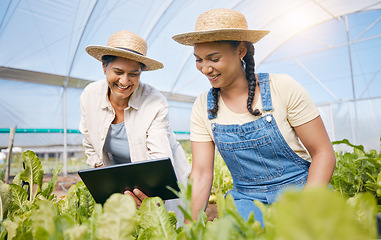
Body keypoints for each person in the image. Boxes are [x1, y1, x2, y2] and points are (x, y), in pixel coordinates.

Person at [172, 8, 336, 226]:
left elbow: (323, 153)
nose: (205, 68)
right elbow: (201, 174)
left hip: (302, 191)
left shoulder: (282, 87)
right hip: (247, 201)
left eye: (214, 58)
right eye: (198, 60)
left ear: (241, 51)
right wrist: (188, 228)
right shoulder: (203, 106)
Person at [79, 30, 191, 220]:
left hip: (162, 181)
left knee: (166, 228)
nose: (124, 81)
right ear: (104, 66)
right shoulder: (90, 95)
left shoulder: (154, 102)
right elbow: (89, 141)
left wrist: (151, 193)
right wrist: (104, 180)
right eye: (118, 72)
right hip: (121, 185)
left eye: (133, 74)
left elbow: (159, 159)